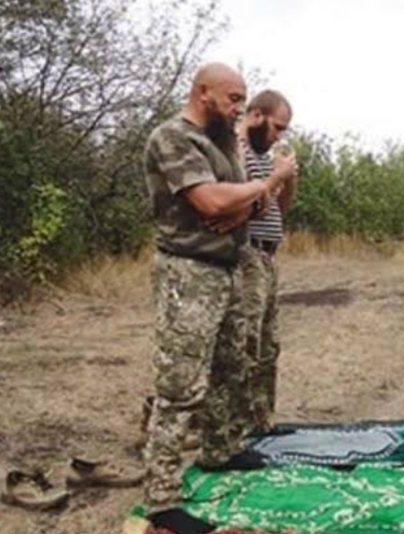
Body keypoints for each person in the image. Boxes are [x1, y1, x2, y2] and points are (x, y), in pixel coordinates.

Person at [141, 62, 298, 509]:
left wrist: (243, 202)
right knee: (181, 386)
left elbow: (250, 203)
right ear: (203, 92)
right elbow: (210, 200)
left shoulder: (224, 142)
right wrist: (259, 186)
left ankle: (220, 450)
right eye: (233, 99)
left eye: (242, 100)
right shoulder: (173, 137)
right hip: (188, 271)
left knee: (232, 367)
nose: (238, 109)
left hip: (230, 266)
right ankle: (161, 495)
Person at [237, 89, 296, 431]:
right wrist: (275, 178)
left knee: (268, 344)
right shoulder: (237, 151)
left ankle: (262, 420)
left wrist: (289, 178)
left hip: (269, 253)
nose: (279, 135)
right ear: (256, 114)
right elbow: (246, 208)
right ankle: (239, 422)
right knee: (246, 341)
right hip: (246, 253)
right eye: (277, 127)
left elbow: (280, 209)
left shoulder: (267, 154)